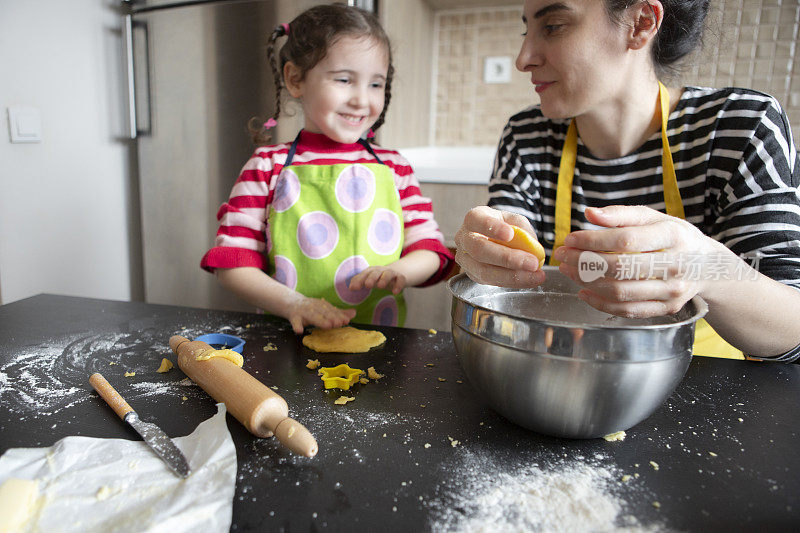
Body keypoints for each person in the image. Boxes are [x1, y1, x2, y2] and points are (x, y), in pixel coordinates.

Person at [454, 0, 800, 362]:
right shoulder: (526, 136)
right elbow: (502, 247)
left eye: (553, 26)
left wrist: (707, 269)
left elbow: (790, 331)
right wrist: (490, 249)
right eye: (527, 30)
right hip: (561, 371)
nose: (523, 59)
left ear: (640, 24)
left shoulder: (740, 127)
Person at [201, 4, 453, 334]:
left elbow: (430, 250)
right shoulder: (266, 167)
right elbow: (233, 262)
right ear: (295, 79)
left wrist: (402, 270)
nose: (362, 100)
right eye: (345, 80)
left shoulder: (396, 168)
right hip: (284, 346)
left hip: (381, 346)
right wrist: (295, 304)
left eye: (376, 84)